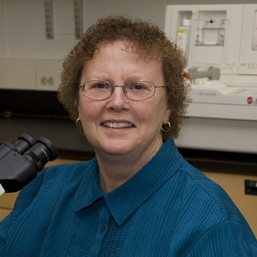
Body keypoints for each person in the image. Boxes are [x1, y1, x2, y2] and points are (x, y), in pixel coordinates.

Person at [0, 15, 256, 257]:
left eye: (138, 87)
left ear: (168, 107)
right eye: (100, 85)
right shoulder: (43, 190)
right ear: (77, 105)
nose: (117, 102)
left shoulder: (214, 226)